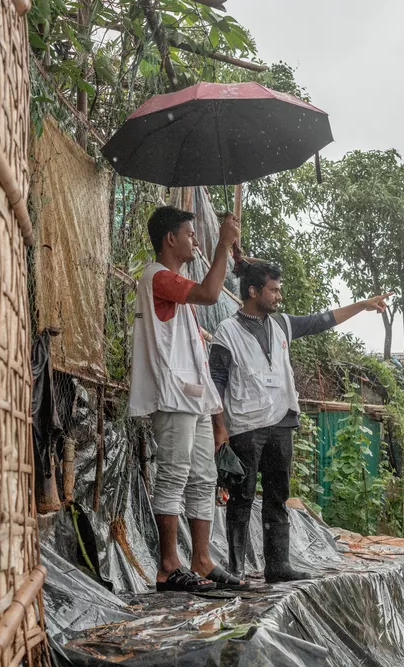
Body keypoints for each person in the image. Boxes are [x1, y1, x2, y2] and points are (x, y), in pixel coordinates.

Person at [209, 260, 390, 582]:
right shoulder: (227, 331)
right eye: (273, 290)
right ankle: (236, 568)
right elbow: (216, 382)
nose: (279, 296)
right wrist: (219, 428)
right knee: (241, 497)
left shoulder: (282, 324)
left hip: (281, 421)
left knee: (277, 496)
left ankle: (277, 565)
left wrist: (362, 305)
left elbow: (322, 320)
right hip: (245, 425)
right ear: (254, 291)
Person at [128, 206, 247, 592]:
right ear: (170, 239)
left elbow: (197, 358)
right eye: (190, 234)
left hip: (192, 398)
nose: (195, 241)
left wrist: (217, 417)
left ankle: (201, 560)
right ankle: (167, 566)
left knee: (203, 478)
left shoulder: (176, 291)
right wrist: (223, 245)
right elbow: (211, 294)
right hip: (173, 396)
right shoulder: (158, 277)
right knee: (174, 475)